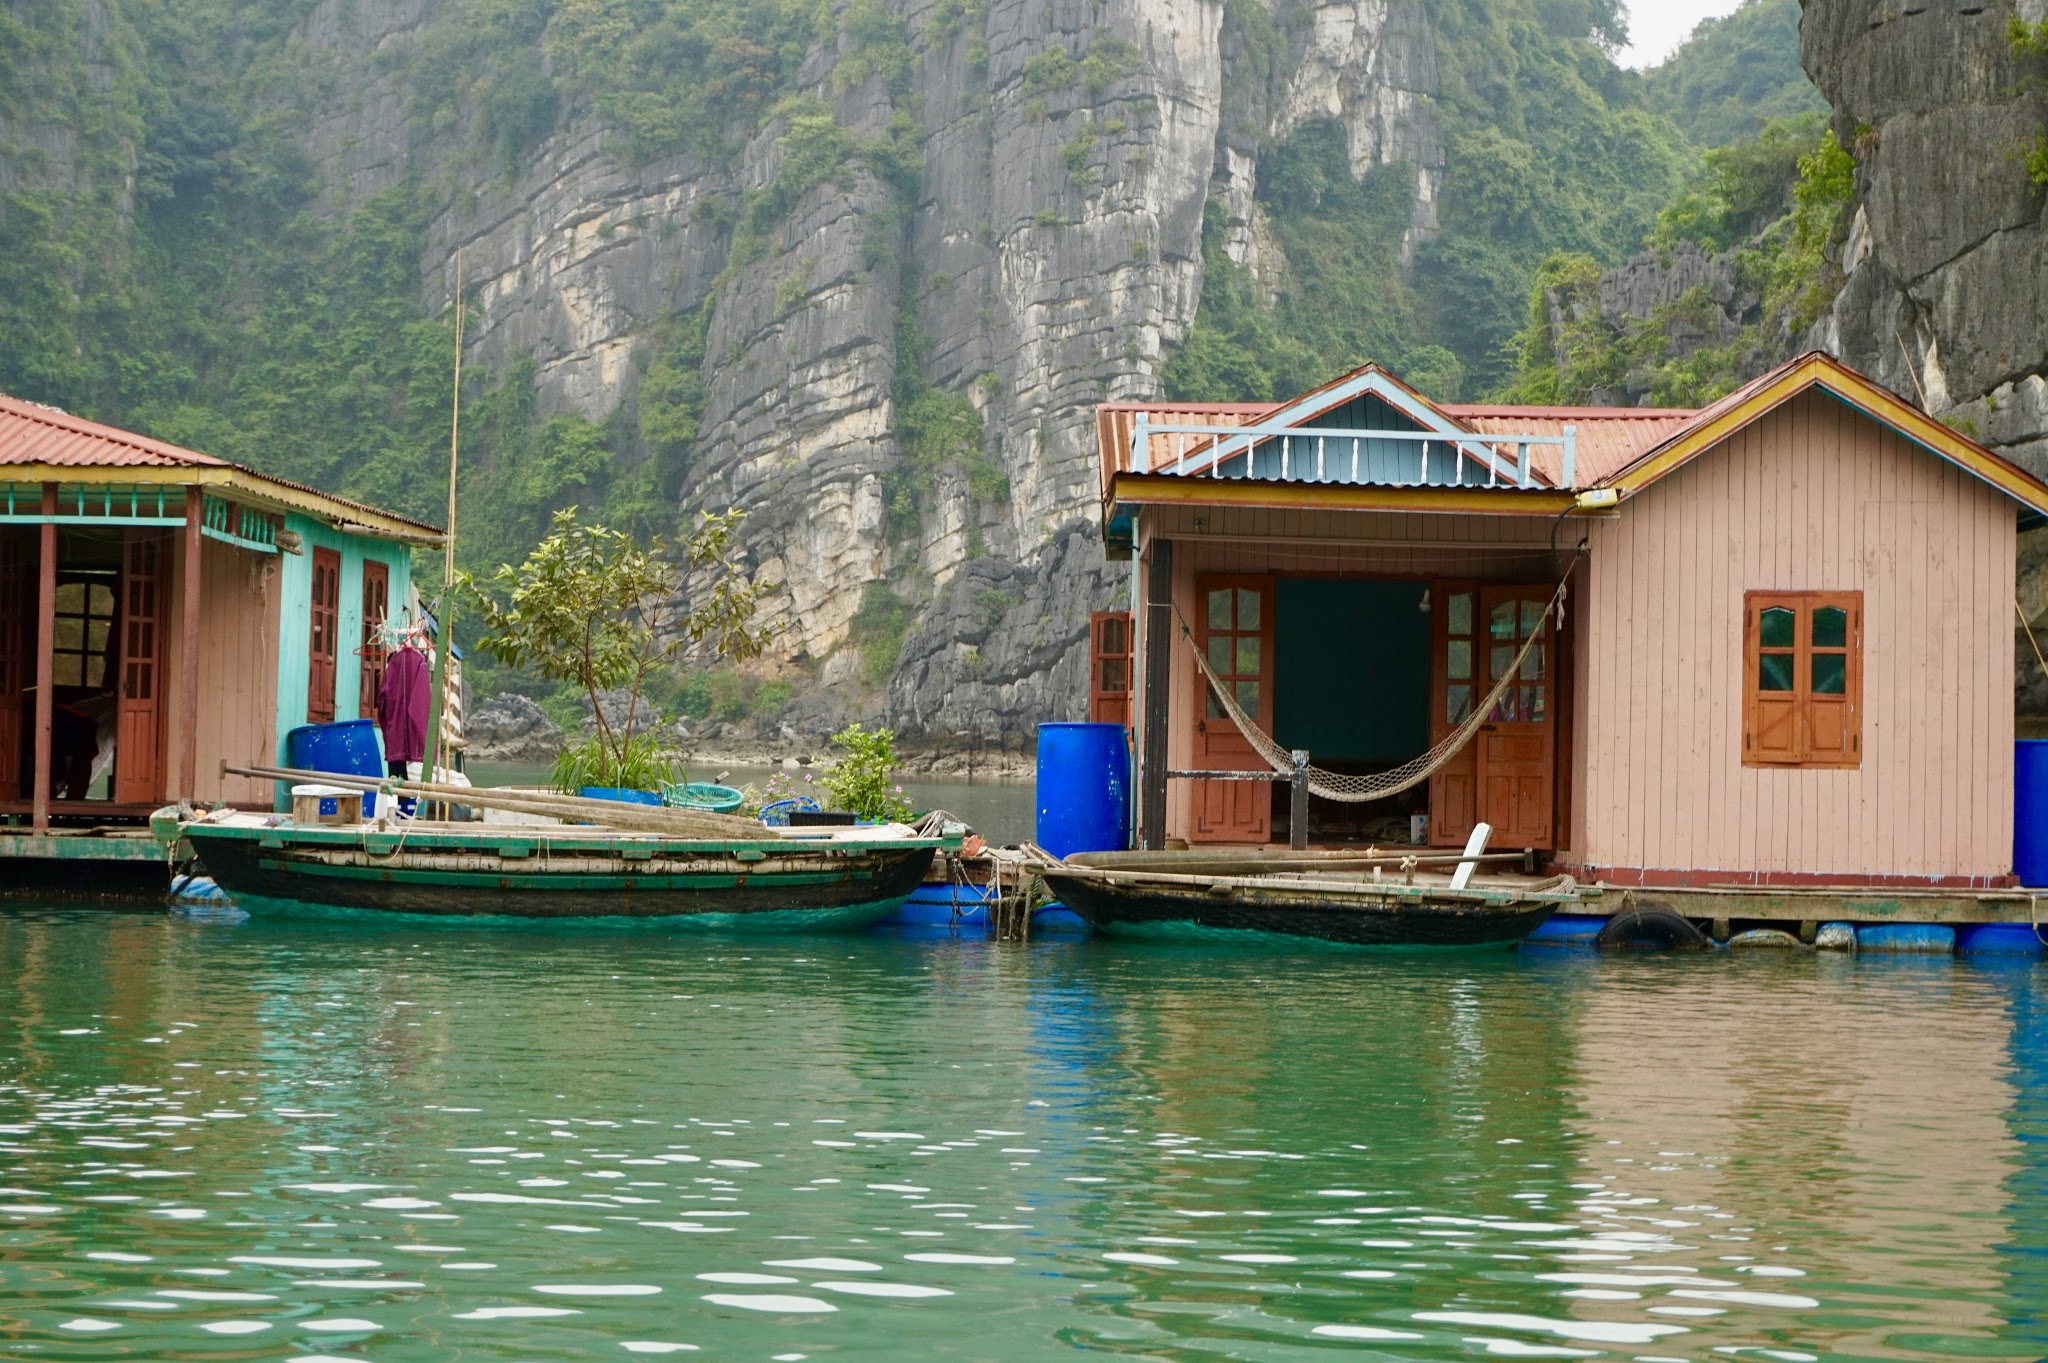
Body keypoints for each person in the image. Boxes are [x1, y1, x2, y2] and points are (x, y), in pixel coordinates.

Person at [377, 642, 430, 817]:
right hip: (412, 730)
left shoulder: (393, 663)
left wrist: (387, 722)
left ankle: (398, 810)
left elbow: (381, 699)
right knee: (408, 778)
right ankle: (408, 810)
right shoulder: (420, 663)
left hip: (396, 730)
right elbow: (421, 703)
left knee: (396, 774)